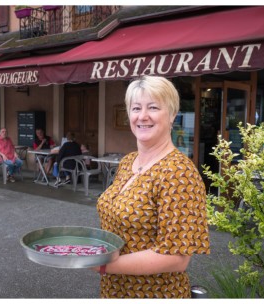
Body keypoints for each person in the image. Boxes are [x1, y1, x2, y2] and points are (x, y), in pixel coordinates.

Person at [94, 75, 210, 298]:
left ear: (173, 115)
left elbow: (176, 258)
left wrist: (102, 265)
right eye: (136, 108)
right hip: (113, 291)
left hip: (155, 294)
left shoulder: (179, 173)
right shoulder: (129, 162)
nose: (143, 116)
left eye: (154, 107)